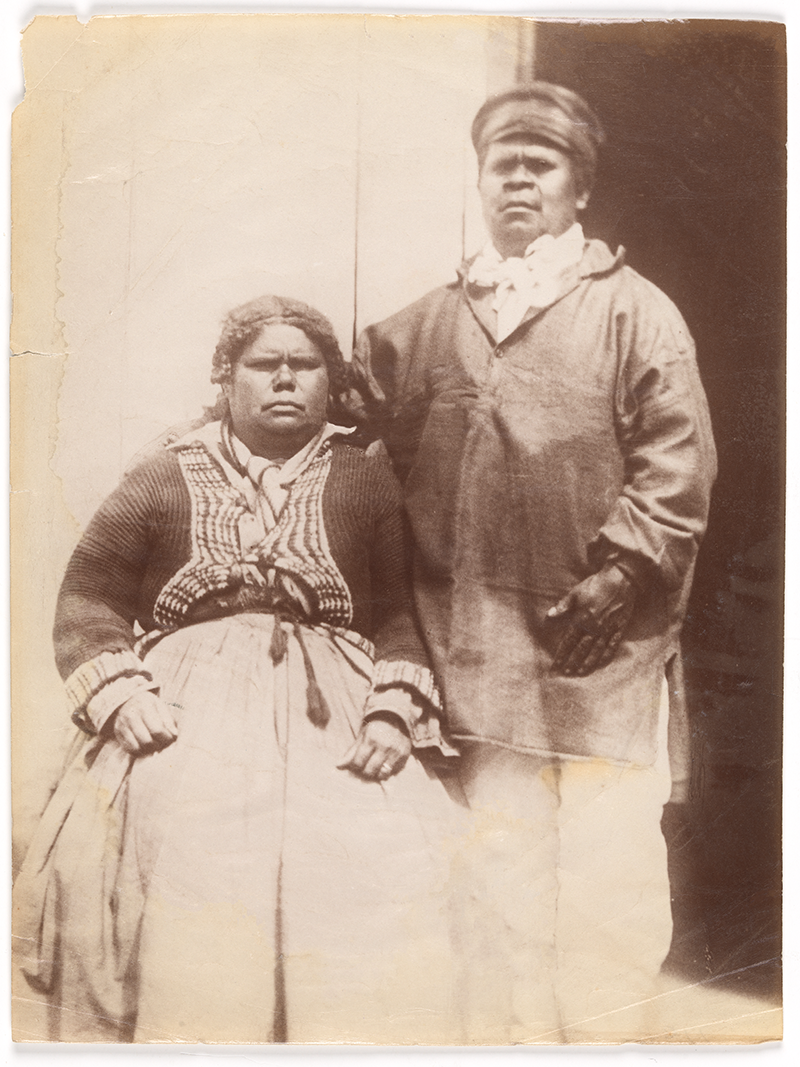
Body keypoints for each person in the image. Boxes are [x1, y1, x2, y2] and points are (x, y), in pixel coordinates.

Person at [349, 83, 718, 1042]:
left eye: (540, 163)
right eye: (500, 163)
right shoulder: (425, 322)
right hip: (473, 649)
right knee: (497, 876)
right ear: (479, 184)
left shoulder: (636, 312)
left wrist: (624, 570)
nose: (517, 177)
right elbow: (347, 436)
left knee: (606, 884)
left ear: (578, 188)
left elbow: (679, 463)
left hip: (599, 648)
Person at [12, 295, 462, 1045]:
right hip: (183, 703)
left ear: (330, 380)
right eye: (265, 364)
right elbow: (89, 597)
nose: (285, 380)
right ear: (227, 376)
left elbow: (396, 616)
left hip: (337, 705)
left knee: (382, 857)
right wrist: (123, 697)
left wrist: (390, 710)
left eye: (304, 365)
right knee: (176, 852)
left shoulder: (364, 480)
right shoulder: (164, 474)